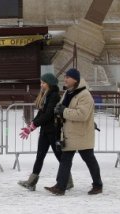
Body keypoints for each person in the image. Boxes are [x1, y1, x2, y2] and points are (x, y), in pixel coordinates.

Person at [44, 68, 103, 196]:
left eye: (67, 77)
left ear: (75, 79)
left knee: (89, 159)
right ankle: (60, 187)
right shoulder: (68, 92)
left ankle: (98, 185)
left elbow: (82, 115)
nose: (65, 79)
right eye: (65, 77)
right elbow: (63, 107)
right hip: (69, 134)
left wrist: (63, 111)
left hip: (82, 134)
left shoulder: (85, 95)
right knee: (65, 159)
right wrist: (58, 110)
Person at [17, 73, 69, 191]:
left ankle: (67, 181)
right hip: (45, 130)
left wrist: (34, 125)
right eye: (41, 82)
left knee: (59, 156)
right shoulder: (46, 95)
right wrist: (31, 125)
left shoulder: (54, 95)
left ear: (49, 84)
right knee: (40, 155)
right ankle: (31, 182)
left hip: (53, 131)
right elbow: (41, 113)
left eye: (43, 83)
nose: (41, 85)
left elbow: (48, 114)